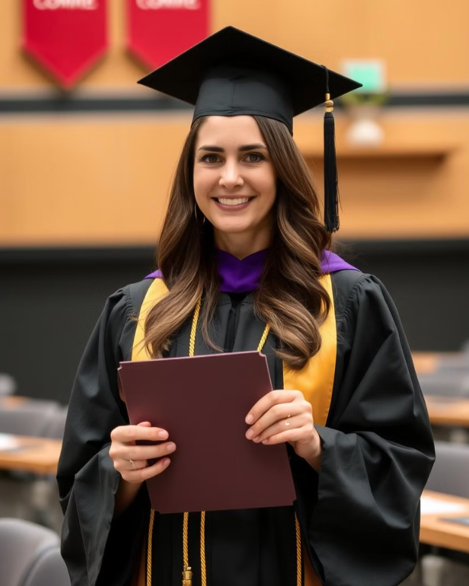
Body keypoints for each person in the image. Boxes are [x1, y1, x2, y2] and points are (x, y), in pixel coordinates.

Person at [57, 26, 435, 586]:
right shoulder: (137, 311)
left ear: (282, 170)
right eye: (211, 157)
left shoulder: (347, 302)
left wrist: (316, 445)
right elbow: (79, 485)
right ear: (191, 174)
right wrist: (123, 474)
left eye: (252, 156)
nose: (230, 178)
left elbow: (400, 467)